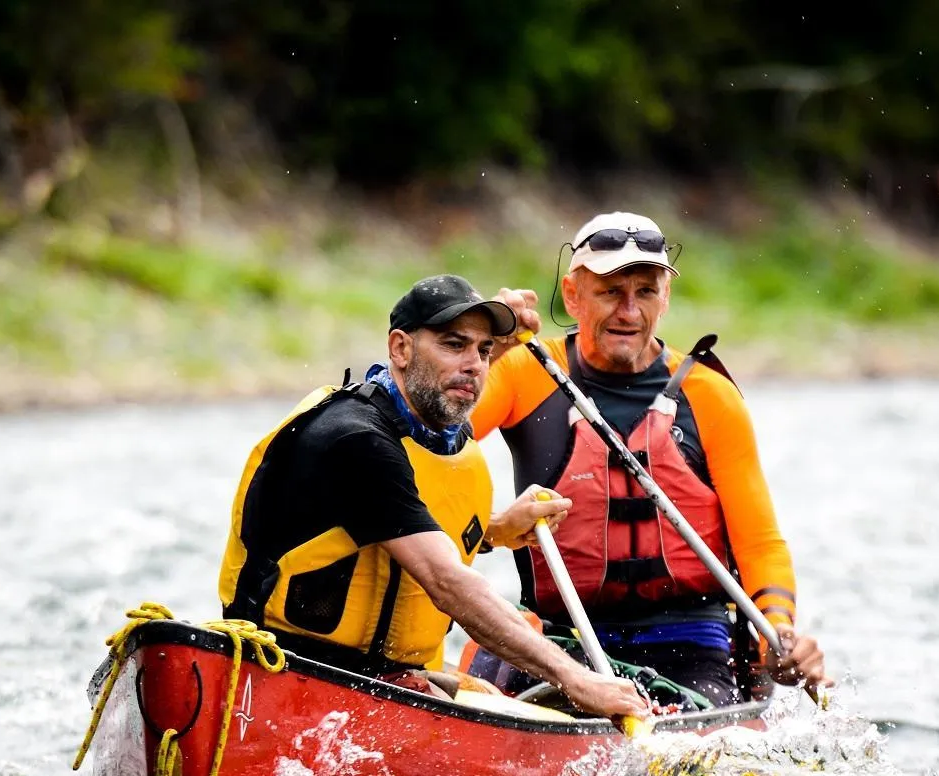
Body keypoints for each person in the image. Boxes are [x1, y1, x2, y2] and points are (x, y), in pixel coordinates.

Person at [217, 273, 648, 722]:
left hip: (383, 679)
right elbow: (446, 580)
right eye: (453, 344)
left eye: (484, 352)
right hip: (287, 674)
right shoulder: (354, 439)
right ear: (400, 349)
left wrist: (495, 531)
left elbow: (391, 524)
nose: (476, 365)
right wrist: (576, 679)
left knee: (518, 704)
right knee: (558, 695)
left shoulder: (434, 428)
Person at [469, 212, 829, 707]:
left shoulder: (710, 396)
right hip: (560, 639)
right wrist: (481, 350)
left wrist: (779, 636)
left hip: (688, 642)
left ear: (666, 298)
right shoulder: (521, 373)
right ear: (572, 295)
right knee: (485, 681)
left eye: (646, 291)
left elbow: (760, 543)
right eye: (611, 291)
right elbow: (427, 446)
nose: (629, 311)